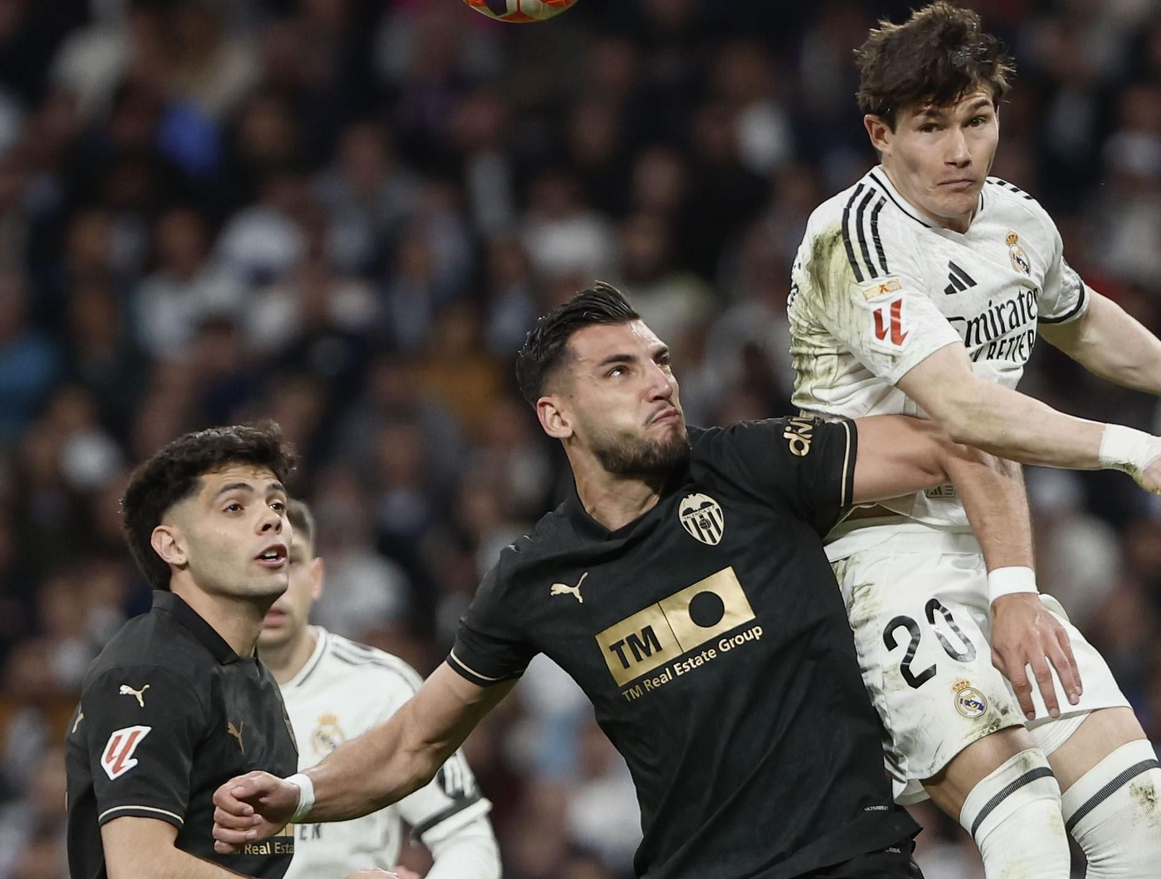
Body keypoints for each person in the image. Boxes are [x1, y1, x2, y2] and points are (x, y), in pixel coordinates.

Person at [214, 282, 1076, 879]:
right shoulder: (535, 575)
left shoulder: (747, 464)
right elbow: (412, 743)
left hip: (848, 861)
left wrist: (1013, 592)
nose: (661, 381)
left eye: (658, 359)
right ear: (557, 416)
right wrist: (297, 796)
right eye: (619, 371)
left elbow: (960, 438)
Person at [787, 1, 1161, 879]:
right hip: (878, 552)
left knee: (1151, 834)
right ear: (880, 132)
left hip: (991, 534)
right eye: (932, 127)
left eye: (978, 120)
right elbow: (960, 407)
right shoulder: (856, 237)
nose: (960, 150)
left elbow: (1082, 318)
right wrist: (1135, 447)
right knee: (1027, 823)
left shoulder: (1015, 220)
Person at [65, 423, 380, 879]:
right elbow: (139, 867)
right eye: (235, 506)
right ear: (173, 545)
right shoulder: (151, 669)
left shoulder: (250, 674)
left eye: (276, 503)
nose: (272, 518)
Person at [258, 500, 502, 879]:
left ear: (317, 577)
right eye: (262, 562)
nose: (278, 586)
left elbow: (466, 836)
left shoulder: (381, 687)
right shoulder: (181, 689)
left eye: (290, 562)